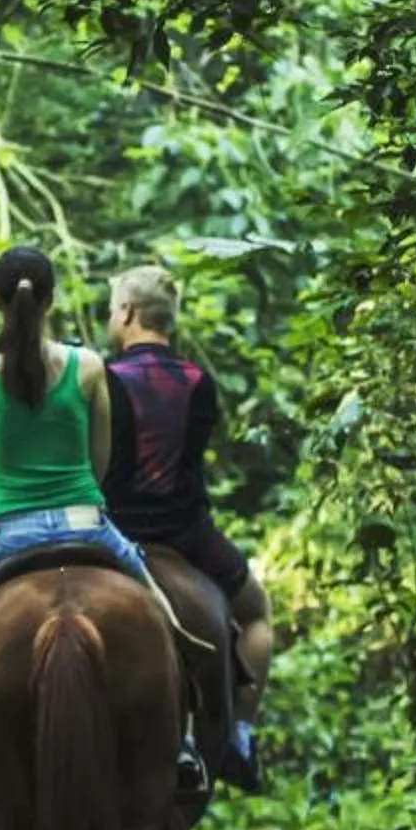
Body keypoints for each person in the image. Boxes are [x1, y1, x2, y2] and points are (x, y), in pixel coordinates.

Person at [0, 245, 201, 824]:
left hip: (8, 535)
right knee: (173, 624)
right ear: (52, 299)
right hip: (89, 526)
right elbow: (101, 460)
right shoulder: (89, 366)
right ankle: (183, 747)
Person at [101, 264, 272, 790]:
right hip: (187, 534)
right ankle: (239, 732)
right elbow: (190, 462)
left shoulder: (104, 378)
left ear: (127, 313)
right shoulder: (200, 381)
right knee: (257, 613)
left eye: (113, 309)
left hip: (115, 533)